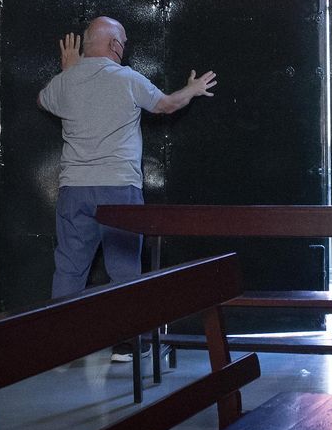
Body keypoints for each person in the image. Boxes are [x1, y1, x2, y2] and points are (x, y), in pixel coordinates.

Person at [38, 16, 216, 315]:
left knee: (69, 269)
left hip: (74, 190)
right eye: (123, 43)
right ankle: (129, 345)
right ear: (114, 45)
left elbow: (43, 101)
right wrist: (193, 88)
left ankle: (59, 344)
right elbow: (166, 105)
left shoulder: (64, 81)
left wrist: (69, 72)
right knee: (124, 271)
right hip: (119, 189)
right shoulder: (127, 79)